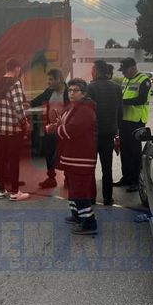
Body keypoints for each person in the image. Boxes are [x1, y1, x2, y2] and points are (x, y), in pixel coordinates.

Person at [46, 78, 98, 235]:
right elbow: (64, 124)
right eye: (70, 90)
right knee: (74, 188)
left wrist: (54, 130)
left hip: (81, 157)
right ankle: (77, 215)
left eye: (76, 90)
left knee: (80, 189)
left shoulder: (85, 110)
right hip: (71, 157)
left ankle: (89, 223)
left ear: (83, 93)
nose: (71, 93)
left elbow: (72, 130)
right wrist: (56, 126)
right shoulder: (73, 107)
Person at [0, 58, 30, 201]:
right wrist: (25, 123)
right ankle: (14, 191)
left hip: (0, 128)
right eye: (20, 69)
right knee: (13, 159)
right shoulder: (15, 84)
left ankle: (1, 190)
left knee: (1, 158)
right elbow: (18, 108)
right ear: (17, 68)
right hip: (14, 129)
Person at [87, 60, 122, 205]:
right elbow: (120, 112)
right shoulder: (116, 87)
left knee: (91, 167)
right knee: (107, 168)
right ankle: (108, 198)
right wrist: (116, 129)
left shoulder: (91, 87)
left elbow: (88, 112)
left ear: (96, 71)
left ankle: (91, 199)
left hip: (93, 134)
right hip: (109, 132)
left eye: (92, 70)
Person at [114, 58, 151, 192]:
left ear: (133, 68)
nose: (123, 74)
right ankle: (126, 177)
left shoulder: (144, 80)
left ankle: (136, 180)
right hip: (125, 120)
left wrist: (121, 102)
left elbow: (141, 99)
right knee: (124, 150)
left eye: (125, 71)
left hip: (137, 121)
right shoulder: (125, 80)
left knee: (135, 152)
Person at [29, 69, 69, 188]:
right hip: (51, 128)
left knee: (65, 154)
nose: (48, 82)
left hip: (64, 130)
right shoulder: (49, 91)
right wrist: (28, 104)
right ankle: (51, 178)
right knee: (49, 153)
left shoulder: (68, 92)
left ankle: (68, 178)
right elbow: (38, 100)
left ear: (59, 80)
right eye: (49, 79)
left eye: (51, 79)